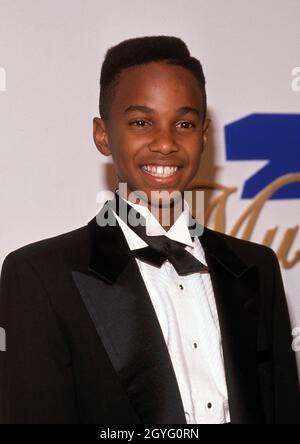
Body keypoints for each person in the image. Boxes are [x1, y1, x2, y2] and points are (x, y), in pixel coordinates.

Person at [0, 36, 299, 424]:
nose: (165, 143)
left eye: (184, 123)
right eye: (141, 122)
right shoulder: (39, 277)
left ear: (204, 136)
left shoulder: (256, 266)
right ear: (103, 135)